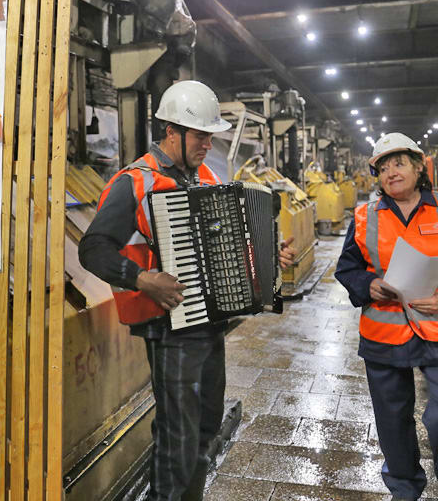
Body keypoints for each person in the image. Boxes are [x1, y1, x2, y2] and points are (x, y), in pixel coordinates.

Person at [79, 80, 295, 501]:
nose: (207, 144)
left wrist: (268, 255)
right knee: (177, 434)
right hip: (169, 328)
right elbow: (93, 249)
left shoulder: (205, 176)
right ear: (171, 132)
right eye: (200, 136)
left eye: (210, 136)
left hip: (208, 323)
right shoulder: (134, 182)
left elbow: (228, 242)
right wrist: (143, 279)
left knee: (206, 425)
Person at [334, 132, 438, 501]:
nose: (391, 172)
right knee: (392, 418)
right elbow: (347, 269)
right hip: (384, 332)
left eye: (399, 163)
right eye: (383, 168)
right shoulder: (365, 216)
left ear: (419, 167)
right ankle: (404, 489)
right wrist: (369, 285)